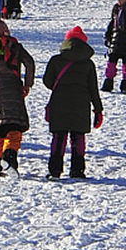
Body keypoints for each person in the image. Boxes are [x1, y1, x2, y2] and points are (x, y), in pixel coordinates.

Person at [41, 26, 105, 179]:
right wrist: (98, 110)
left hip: (59, 103)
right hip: (81, 105)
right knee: (78, 137)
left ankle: (55, 170)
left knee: (59, 136)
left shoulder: (56, 60)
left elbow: (48, 81)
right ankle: (78, 170)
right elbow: (93, 89)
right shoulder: (88, 64)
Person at [0, 17, 36, 176]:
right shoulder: (14, 46)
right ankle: (9, 157)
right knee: (14, 126)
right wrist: (27, 83)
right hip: (12, 88)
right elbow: (29, 63)